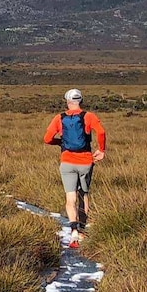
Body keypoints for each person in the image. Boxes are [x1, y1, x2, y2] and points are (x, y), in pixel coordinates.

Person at [43, 88, 106, 243]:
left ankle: (73, 231)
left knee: (70, 198)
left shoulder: (59, 118)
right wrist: (101, 150)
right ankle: (83, 229)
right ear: (81, 101)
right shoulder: (89, 116)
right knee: (83, 195)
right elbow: (101, 132)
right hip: (85, 161)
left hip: (67, 162)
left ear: (67, 102)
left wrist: (61, 142)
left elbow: (47, 139)